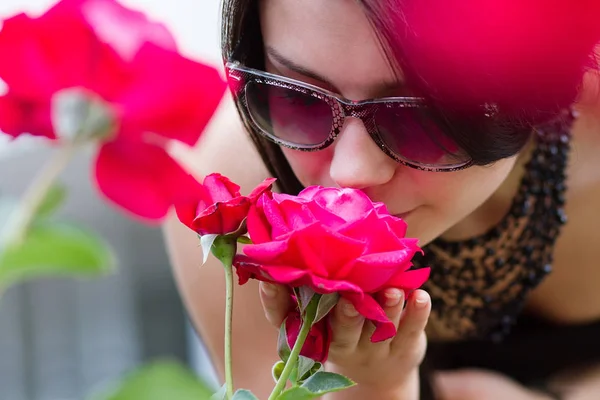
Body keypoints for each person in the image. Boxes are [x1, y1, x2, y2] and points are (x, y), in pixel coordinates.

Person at [163, 1, 600, 399]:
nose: (350, 173)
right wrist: (376, 387)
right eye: (299, 98)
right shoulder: (226, 198)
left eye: (421, 120)